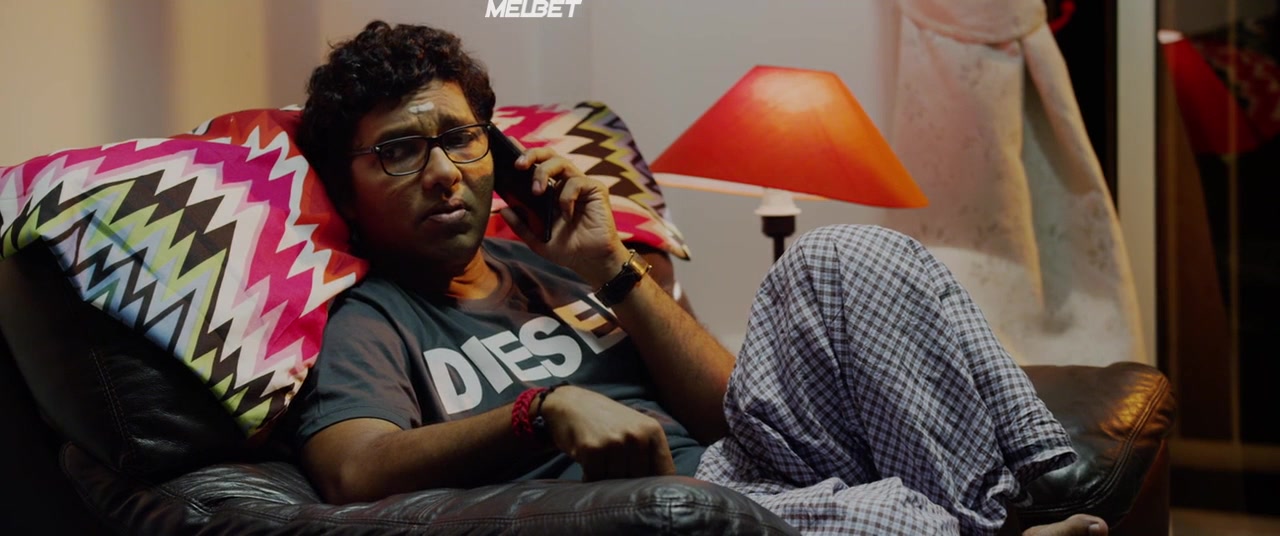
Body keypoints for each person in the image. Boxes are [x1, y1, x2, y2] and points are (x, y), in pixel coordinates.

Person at [287, 20, 1108, 536]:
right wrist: (543, 411)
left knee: (840, 254)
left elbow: (726, 412)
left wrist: (613, 270)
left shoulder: (556, 265)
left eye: (462, 140)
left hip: (741, 466)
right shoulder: (371, 317)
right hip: (657, 511)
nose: (443, 174)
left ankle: (1022, 495)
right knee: (882, 514)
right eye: (400, 151)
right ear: (345, 187)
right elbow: (355, 469)